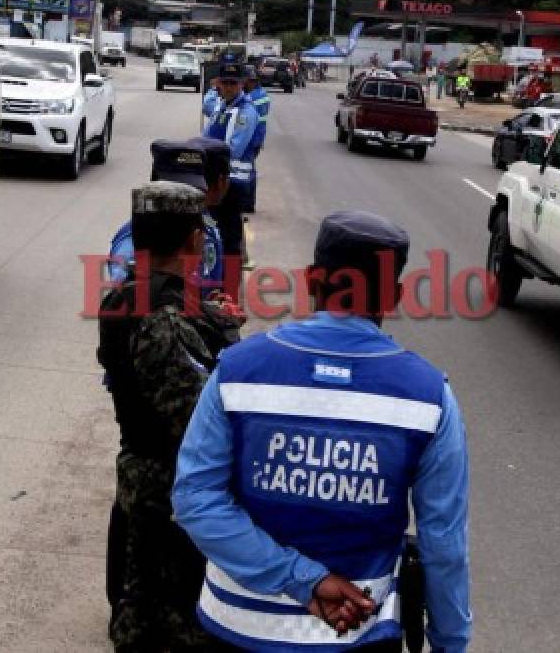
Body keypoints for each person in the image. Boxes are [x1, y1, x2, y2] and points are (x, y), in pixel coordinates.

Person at [173, 210, 473, 652]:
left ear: (313, 279)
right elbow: (443, 544)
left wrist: (303, 580)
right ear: (394, 295)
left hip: (236, 629)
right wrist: (450, 642)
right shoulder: (428, 399)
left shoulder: (238, 373)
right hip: (358, 635)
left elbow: (195, 500)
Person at [99, 181, 243, 652]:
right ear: (194, 241)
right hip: (169, 500)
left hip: (145, 486)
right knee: (165, 625)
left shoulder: (135, 293)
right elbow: (200, 425)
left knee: (138, 609)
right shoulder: (163, 319)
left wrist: (212, 322)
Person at [107, 138, 231, 299]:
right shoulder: (135, 239)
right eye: (180, 191)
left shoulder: (204, 226)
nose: (190, 199)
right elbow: (133, 302)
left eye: (197, 190)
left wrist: (210, 309)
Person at [202, 59, 259, 299]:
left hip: (232, 183)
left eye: (233, 83)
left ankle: (230, 294)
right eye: (224, 82)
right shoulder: (222, 106)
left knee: (230, 239)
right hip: (215, 181)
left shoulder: (246, 112)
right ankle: (213, 282)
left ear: (242, 84)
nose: (228, 87)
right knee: (211, 234)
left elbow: (233, 149)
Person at [241, 65, 270, 214]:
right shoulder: (262, 94)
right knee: (249, 169)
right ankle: (248, 202)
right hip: (257, 137)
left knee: (248, 170)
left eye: (243, 80)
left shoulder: (253, 97)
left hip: (252, 138)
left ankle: (247, 203)